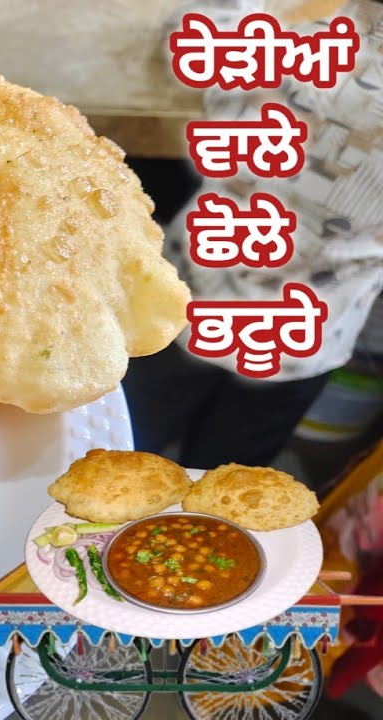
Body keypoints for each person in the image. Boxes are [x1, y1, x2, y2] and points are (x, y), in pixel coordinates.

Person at [124, 0, 383, 469]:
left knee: (126, 443)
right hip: (305, 340)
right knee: (226, 476)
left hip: (192, 310)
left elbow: (191, 35)